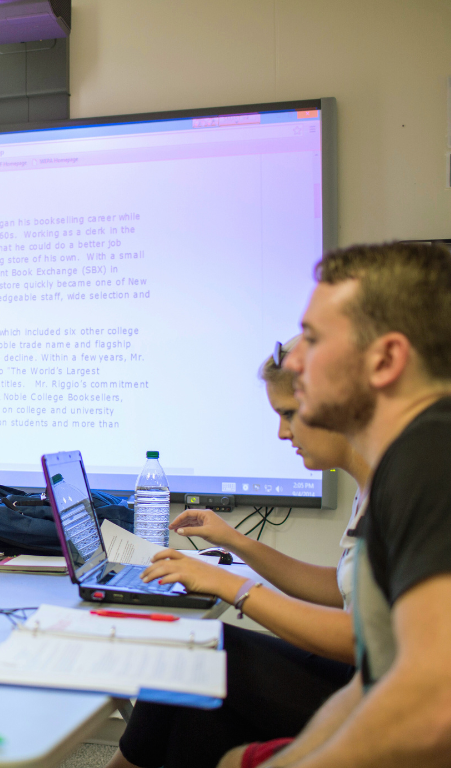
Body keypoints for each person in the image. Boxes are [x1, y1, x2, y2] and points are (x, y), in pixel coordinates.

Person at [217, 241, 451, 768]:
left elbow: (436, 708)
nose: (292, 360)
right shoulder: (405, 460)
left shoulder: (432, 455)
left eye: (314, 339)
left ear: (386, 359)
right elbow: (372, 681)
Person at [107, 337, 368, 768]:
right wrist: (234, 540)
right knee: (201, 713)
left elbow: (362, 638)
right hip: (354, 676)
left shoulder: (399, 492)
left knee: (197, 654)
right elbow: (341, 587)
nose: (283, 433)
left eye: (289, 414)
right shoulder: (368, 489)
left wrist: (233, 586)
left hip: (370, 695)